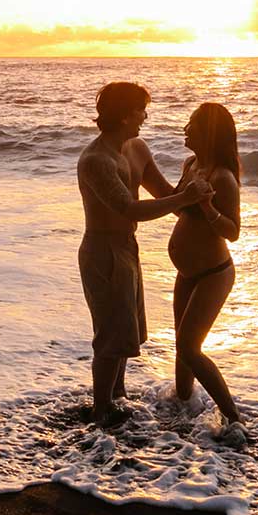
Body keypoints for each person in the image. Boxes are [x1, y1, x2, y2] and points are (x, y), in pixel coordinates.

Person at [76, 82, 210, 428]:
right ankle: (101, 410)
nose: (145, 116)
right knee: (109, 336)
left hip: (128, 248)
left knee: (127, 333)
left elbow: (165, 194)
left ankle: (117, 396)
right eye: (140, 110)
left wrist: (199, 176)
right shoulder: (96, 160)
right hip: (102, 249)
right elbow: (130, 209)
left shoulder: (136, 147)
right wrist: (184, 198)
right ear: (123, 115)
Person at [168, 102, 243, 431]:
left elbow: (233, 231)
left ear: (209, 135)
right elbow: (175, 206)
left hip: (214, 274)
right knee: (180, 347)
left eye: (193, 125)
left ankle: (234, 420)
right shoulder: (190, 164)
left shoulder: (223, 178)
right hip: (186, 273)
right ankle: (180, 406)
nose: (186, 129)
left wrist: (208, 206)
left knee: (189, 347)